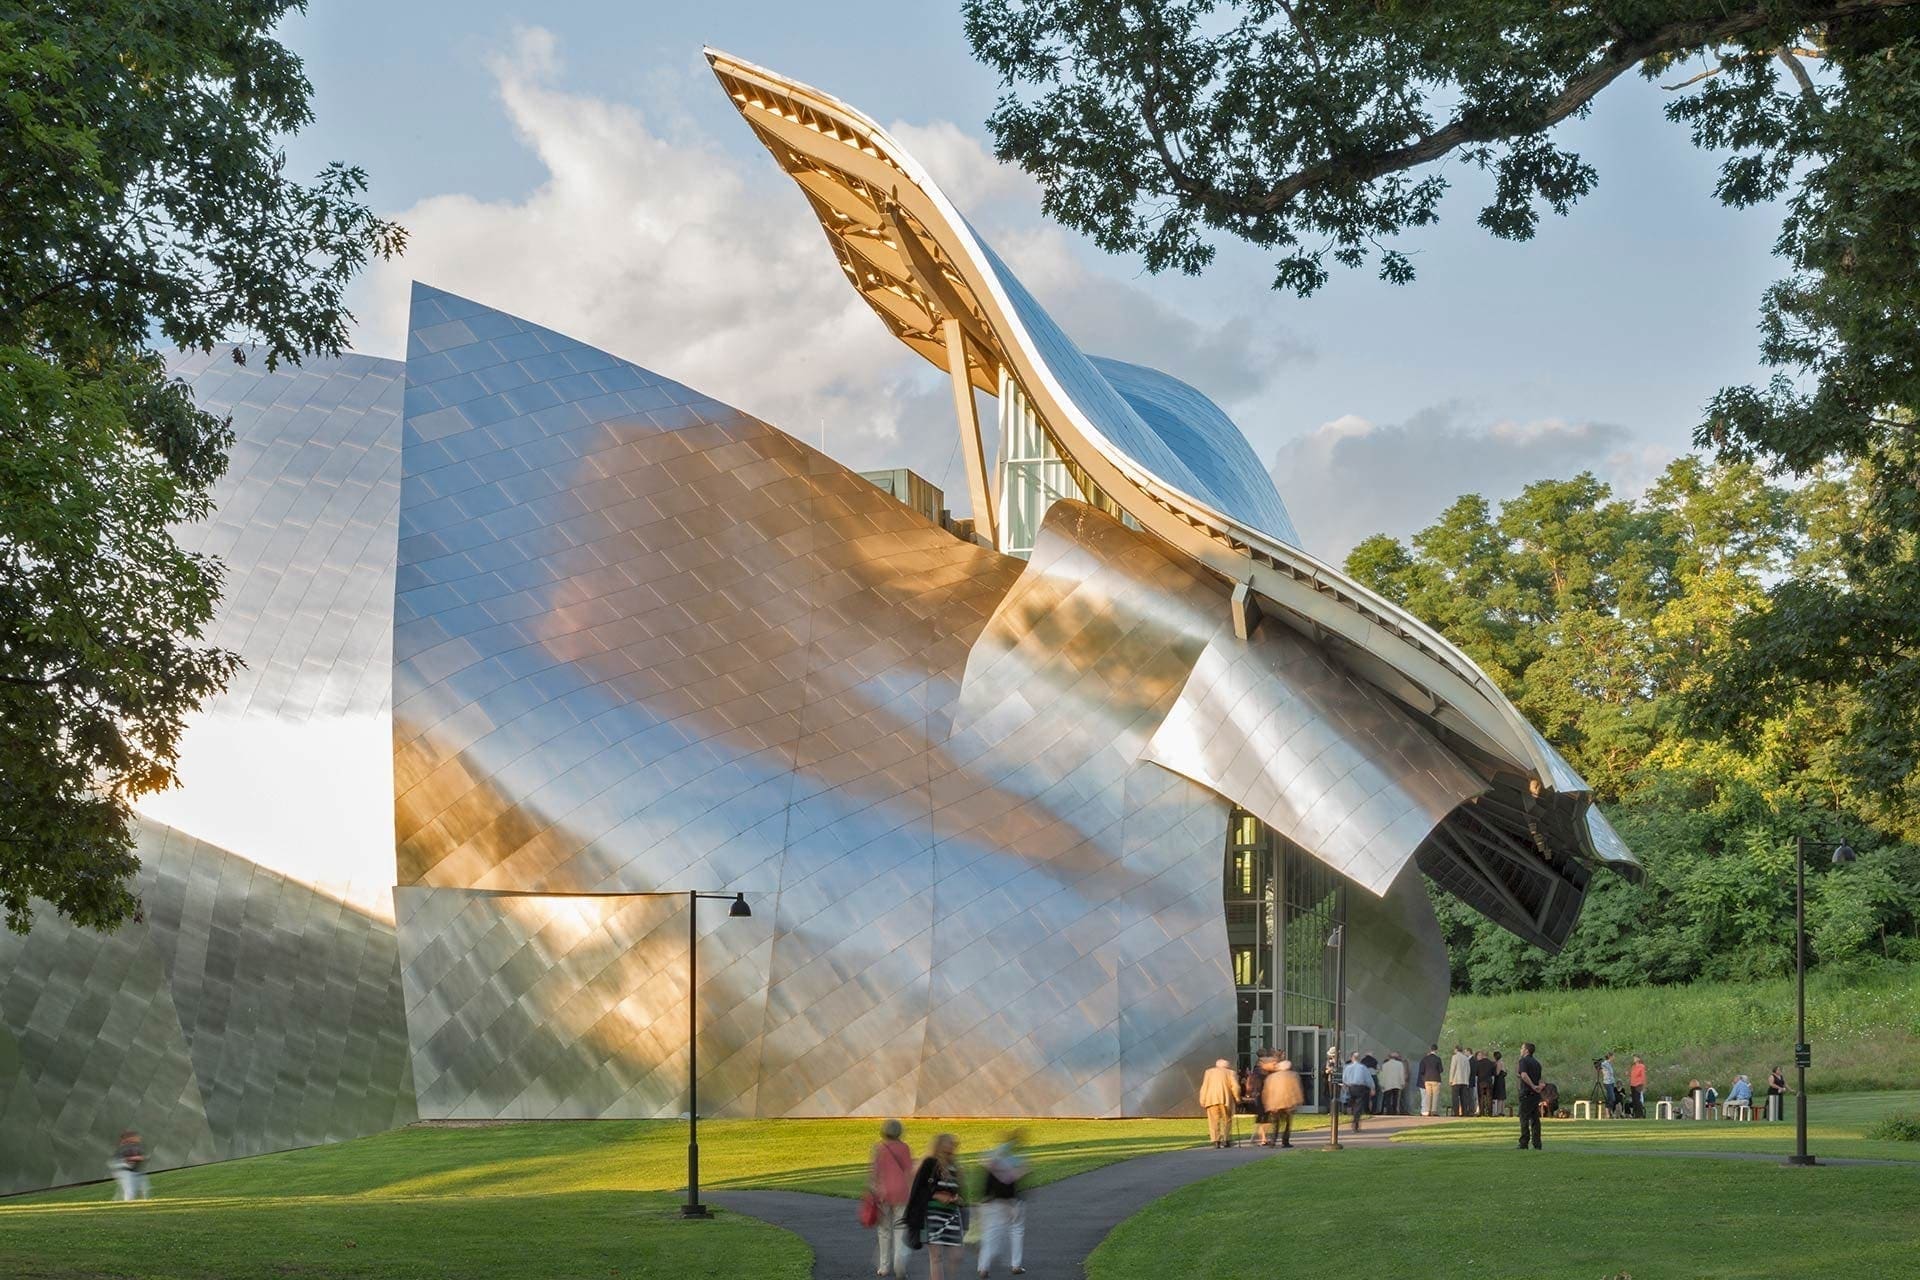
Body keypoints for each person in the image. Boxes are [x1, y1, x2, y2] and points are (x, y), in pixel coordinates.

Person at [906, 1133, 966, 1280]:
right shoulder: (930, 1163)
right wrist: (937, 1195)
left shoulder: (955, 1166)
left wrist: (958, 1198)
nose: (953, 1146)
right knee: (936, 1256)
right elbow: (919, 1189)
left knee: (957, 1255)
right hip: (933, 1214)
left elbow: (959, 1191)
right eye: (950, 1143)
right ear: (941, 1145)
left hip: (952, 1214)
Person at [977, 1130, 1028, 1278]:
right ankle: (1016, 1265)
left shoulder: (991, 1158)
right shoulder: (1014, 1160)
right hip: (1010, 1201)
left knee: (990, 1234)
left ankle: (983, 1267)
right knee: (1016, 1230)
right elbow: (1012, 1180)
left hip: (990, 1201)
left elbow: (986, 1181)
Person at [868, 1119, 915, 1277]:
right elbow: (910, 1172)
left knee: (884, 1230)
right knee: (900, 1229)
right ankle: (899, 1264)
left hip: (883, 1194)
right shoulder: (905, 1148)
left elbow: (874, 1173)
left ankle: (884, 1266)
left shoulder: (879, 1148)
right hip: (902, 1193)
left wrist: (873, 1190)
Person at [1261, 1055, 1306, 1147]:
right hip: (1288, 1103)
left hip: (1275, 1104)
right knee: (1287, 1124)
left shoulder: (1271, 1077)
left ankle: (1273, 1141)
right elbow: (1297, 1089)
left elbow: (1267, 1091)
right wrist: (1299, 1100)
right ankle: (1285, 1141)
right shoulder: (1293, 1076)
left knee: (1275, 1123)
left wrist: (1267, 1104)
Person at [1199, 1057, 1241, 1148]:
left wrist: (1202, 1099)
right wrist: (1237, 1098)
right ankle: (1226, 1140)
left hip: (1211, 1099)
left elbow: (1204, 1086)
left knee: (1213, 1121)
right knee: (1227, 1120)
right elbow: (1235, 1087)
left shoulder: (1208, 1072)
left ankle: (1216, 1141)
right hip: (1226, 1099)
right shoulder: (1231, 1073)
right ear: (1227, 1066)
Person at [1515, 1043, 1544, 1150]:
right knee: (1535, 1120)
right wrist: (1539, 1087)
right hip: (1535, 1095)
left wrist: (1532, 1085)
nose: (1520, 1050)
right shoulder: (1537, 1063)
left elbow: (1523, 1075)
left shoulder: (1523, 1061)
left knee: (1524, 1118)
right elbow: (1540, 1078)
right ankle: (1537, 1143)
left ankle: (1524, 1142)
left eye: (1522, 1048)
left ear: (1526, 1050)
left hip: (1527, 1093)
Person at [109, 1130, 149, 1201]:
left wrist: (139, 1158)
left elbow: (142, 1156)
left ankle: (117, 1200)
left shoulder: (136, 1146)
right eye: (135, 1137)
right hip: (124, 1171)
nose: (138, 1138)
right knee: (129, 1189)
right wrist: (132, 1159)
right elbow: (117, 1161)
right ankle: (128, 1202)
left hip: (135, 1171)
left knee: (143, 1187)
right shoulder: (123, 1148)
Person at [1341, 1053, 1373, 1130]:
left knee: (1352, 1102)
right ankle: (1356, 1121)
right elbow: (1368, 1079)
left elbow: (1344, 1078)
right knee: (1359, 1105)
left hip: (1351, 1087)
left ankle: (1351, 1114)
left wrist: (1345, 1086)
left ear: (1352, 1058)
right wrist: (1372, 1088)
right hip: (1360, 1087)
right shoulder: (1363, 1067)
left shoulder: (1347, 1067)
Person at [1377, 1051, 1407, 1116]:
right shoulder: (1400, 1064)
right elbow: (1401, 1074)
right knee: (1395, 1099)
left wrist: (1382, 1084)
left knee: (1388, 1099)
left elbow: (1383, 1075)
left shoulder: (1385, 1065)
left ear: (1389, 1058)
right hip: (1397, 1084)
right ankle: (1394, 1111)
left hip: (1388, 1084)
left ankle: (1389, 1111)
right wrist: (1402, 1083)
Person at [1418, 1044, 1444, 1116]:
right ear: (1436, 1050)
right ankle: (1434, 1111)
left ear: (1430, 1049)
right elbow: (1441, 1070)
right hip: (1436, 1079)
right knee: (1435, 1095)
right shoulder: (1438, 1059)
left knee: (1428, 1095)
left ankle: (1428, 1110)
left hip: (1427, 1079)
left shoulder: (1425, 1059)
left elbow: (1422, 1070)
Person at [1449, 1044, 1474, 1117]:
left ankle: (1456, 1112)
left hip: (1456, 1080)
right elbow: (1468, 1070)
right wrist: (1467, 1079)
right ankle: (1464, 1112)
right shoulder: (1466, 1058)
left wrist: (1451, 1079)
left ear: (1456, 1049)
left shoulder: (1455, 1057)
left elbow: (1453, 1068)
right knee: (1464, 1098)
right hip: (1465, 1081)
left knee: (1455, 1097)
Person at [1473, 1049, 1496, 1116]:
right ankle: (1490, 1112)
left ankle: (1482, 1112)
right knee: (1489, 1097)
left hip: (1481, 1082)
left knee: (1481, 1097)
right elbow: (1494, 1073)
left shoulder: (1478, 1063)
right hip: (1488, 1082)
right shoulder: (1491, 1063)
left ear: (1482, 1055)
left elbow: (1476, 1073)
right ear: (1488, 1055)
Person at [1628, 1055, 1648, 1119]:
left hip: (1638, 1084)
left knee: (1637, 1099)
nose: (1634, 1059)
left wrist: (1644, 1085)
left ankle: (1640, 1114)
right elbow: (1632, 1074)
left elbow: (1643, 1076)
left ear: (1638, 1059)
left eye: (1635, 1058)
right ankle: (1635, 1114)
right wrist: (1628, 1074)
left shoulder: (1641, 1066)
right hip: (1632, 1084)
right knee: (1634, 1100)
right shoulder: (1633, 1066)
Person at [1490, 1051, 1508, 1117]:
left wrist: (1492, 1072)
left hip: (1499, 1080)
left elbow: (1497, 1073)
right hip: (1502, 1080)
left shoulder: (1499, 1063)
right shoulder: (1502, 1062)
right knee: (1502, 1096)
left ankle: (1499, 1111)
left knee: (1499, 1096)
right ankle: (1502, 1111)